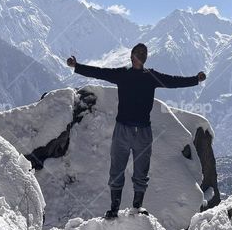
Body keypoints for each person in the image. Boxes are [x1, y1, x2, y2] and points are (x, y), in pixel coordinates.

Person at [66, 43, 206, 219]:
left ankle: (137, 207)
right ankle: (114, 209)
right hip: (122, 130)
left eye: (144, 53)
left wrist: (195, 79)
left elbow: (173, 81)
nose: (141, 55)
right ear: (131, 56)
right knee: (116, 170)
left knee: (141, 173)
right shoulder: (122, 74)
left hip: (143, 132)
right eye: (139, 52)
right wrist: (76, 66)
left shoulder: (151, 76)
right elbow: (99, 72)